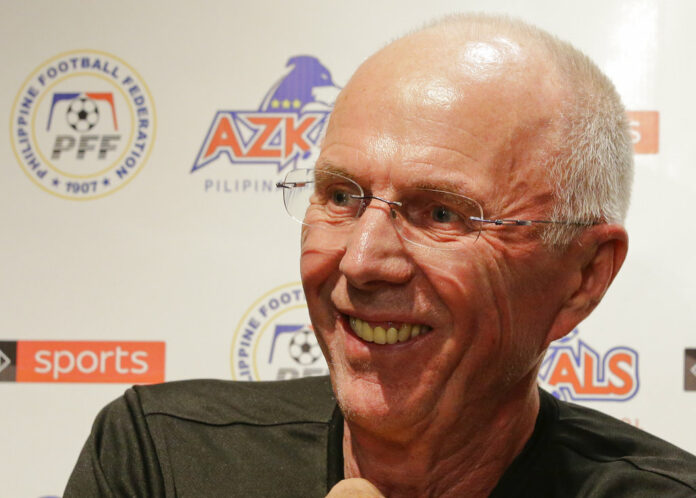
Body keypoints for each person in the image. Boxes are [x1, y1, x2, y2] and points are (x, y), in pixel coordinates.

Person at [65, 14, 696, 497]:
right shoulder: (160, 460)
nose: (361, 261)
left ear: (584, 276)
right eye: (341, 196)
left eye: (442, 213)